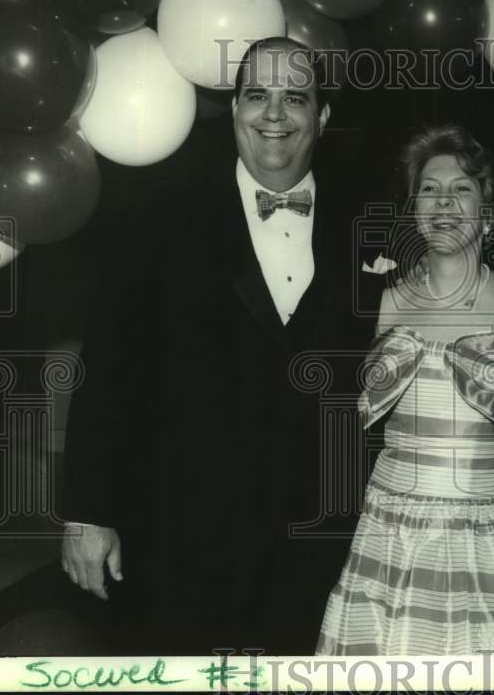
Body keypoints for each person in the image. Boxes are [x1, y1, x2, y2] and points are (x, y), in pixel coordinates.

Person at [60, 37, 381, 655]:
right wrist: (86, 513)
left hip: (326, 541)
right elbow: (105, 372)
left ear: (324, 117)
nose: (275, 115)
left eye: (296, 98)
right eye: (257, 95)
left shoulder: (372, 220)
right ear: (233, 108)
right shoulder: (158, 215)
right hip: (180, 530)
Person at [316, 124, 494, 655]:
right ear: (413, 209)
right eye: (429, 188)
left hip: (490, 534)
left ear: (488, 215)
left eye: (462, 188)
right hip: (391, 532)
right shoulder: (378, 304)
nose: (444, 201)